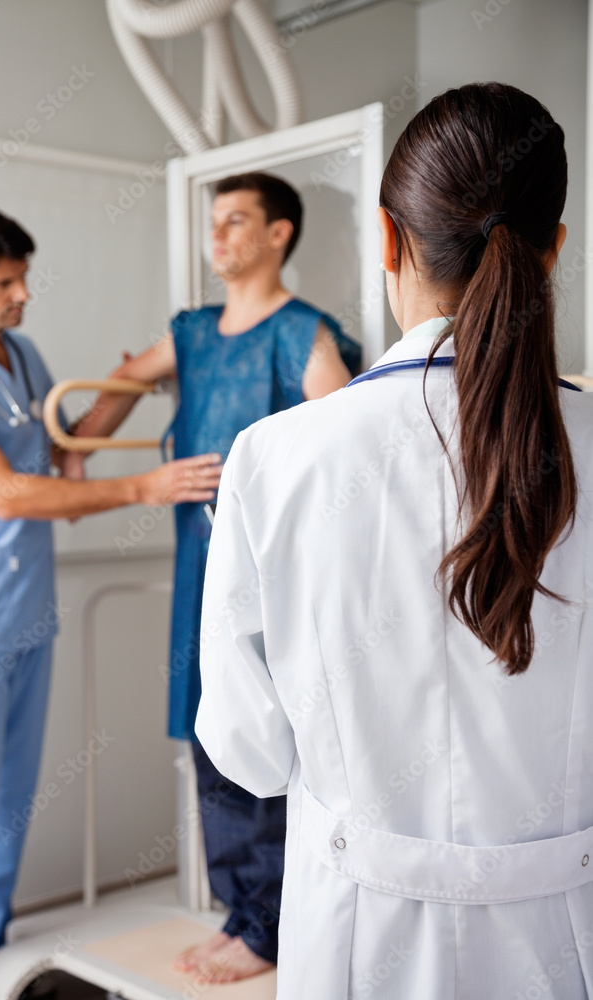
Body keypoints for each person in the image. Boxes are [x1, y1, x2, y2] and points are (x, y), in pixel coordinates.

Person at [195, 83, 593, 998]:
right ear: (553, 250)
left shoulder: (276, 457)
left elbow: (247, 749)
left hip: (355, 937)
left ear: (386, 237)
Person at [0, 200, 221, 1000]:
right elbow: (10, 494)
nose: (22, 295)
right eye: (2, 284)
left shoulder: (18, 353)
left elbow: (65, 450)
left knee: (7, 807)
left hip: (26, 616)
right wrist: (147, 487)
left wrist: (128, 381)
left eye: (23, 278)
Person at [73, 171, 361, 981]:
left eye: (236, 221)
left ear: (279, 235)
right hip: (199, 570)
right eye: (214, 223)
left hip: (277, 577)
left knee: (269, 732)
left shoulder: (303, 333)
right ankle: (244, 912)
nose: (218, 237)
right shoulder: (192, 333)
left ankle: (268, 926)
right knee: (211, 732)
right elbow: (122, 383)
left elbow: (349, 442)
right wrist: (73, 452)